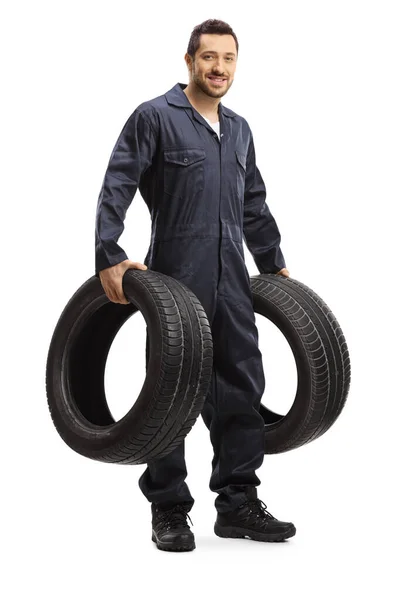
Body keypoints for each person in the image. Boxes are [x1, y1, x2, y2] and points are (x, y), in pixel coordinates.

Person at [95, 18, 296, 552]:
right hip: (174, 278)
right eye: (209, 58)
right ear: (189, 61)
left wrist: (273, 263)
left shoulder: (240, 129)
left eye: (228, 59)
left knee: (241, 387)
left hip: (233, 279)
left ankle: (238, 504)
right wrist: (109, 254)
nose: (219, 68)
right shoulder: (155, 117)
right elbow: (118, 182)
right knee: (171, 393)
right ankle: (169, 510)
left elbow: (253, 202)